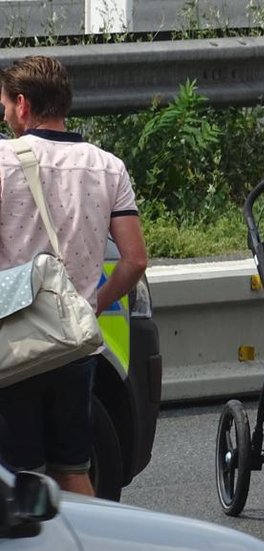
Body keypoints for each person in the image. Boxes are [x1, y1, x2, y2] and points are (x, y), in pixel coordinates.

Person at [0, 56, 148, 496]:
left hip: (13, 341)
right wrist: (91, 306)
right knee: (73, 467)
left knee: (17, 476)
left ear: (23, 105)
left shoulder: (4, 160)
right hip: (73, 343)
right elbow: (135, 260)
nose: (5, 115)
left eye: (5, 105)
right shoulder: (107, 166)